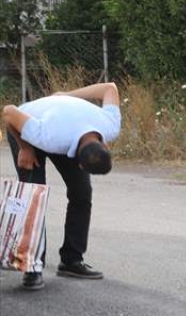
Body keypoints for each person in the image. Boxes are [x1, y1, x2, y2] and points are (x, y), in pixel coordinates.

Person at [1, 82, 121, 290]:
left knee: (82, 193)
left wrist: (67, 94)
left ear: (105, 144)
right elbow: (10, 112)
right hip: (27, 124)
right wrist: (25, 147)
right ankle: (31, 266)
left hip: (61, 124)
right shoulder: (47, 136)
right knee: (33, 195)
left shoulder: (110, 125)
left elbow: (110, 88)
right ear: (80, 162)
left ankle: (71, 260)